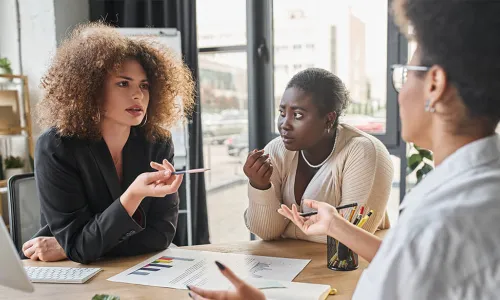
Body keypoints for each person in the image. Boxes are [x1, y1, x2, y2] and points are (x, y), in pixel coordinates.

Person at [188, 0, 500, 298]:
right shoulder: (477, 194)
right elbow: (413, 267)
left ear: (434, 85)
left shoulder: (438, 222)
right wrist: (335, 225)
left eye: (405, 75)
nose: (401, 90)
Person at [21, 22, 194, 264]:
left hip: (125, 269)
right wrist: (133, 195)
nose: (138, 95)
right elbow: (79, 247)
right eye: (123, 83)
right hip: (69, 275)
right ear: (91, 90)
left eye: (144, 85)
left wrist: (75, 246)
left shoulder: (157, 142)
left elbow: (160, 236)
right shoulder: (57, 147)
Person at [244, 68, 393, 243]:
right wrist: (259, 186)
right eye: (283, 113)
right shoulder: (277, 151)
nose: (284, 124)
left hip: (351, 267)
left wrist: (287, 227)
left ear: (329, 119)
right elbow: (267, 232)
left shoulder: (364, 152)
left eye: (298, 115)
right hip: (290, 263)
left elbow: (352, 236)